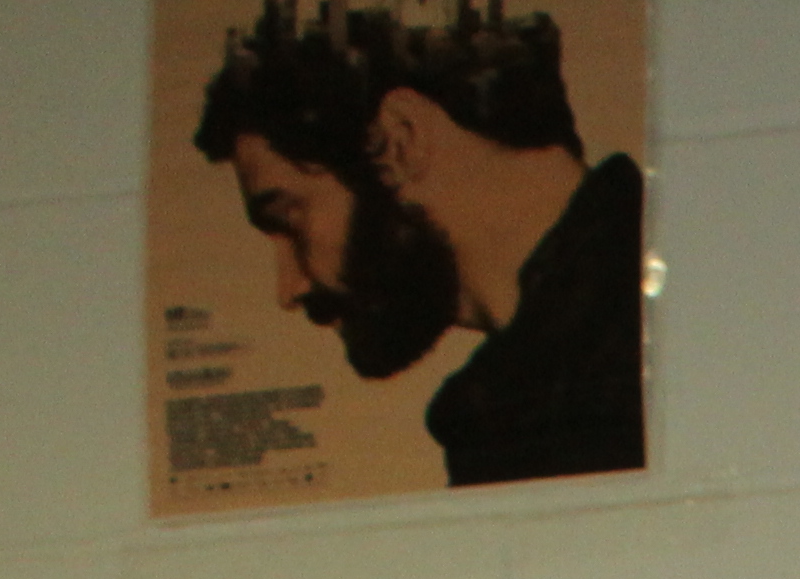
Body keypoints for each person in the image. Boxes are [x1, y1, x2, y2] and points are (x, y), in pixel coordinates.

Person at [193, 1, 646, 487]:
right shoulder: (613, 330)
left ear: (400, 139)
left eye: (288, 215)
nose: (290, 289)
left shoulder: (614, 363)